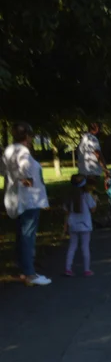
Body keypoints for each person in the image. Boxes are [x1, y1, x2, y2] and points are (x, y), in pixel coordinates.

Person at [3, 122, 52, 286]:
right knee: (27, 237)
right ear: (28, 136)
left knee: (21, 235)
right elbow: (25, 174)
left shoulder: (8, 150)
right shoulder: (23, 151)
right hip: (29, 200)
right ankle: (30, 273)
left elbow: (4, 170)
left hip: (14, 199)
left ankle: (24, 270)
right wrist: (27, 180)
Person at [64, 175, 95, 277]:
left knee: (72, 246)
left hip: (73, 224)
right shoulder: (86, 195)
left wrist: (65, 225)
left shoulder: (69, 197)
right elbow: (93, 209)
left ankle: (68, 268)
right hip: (85, 224)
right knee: (85, 246)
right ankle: (86, 269)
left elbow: (66, 212)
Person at [77, 123, 107, 222]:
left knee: (84, 194)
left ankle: (84, 216)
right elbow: (97, 153)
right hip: (92, 172)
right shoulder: (92, 139)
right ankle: (90, 217)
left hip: (83, 171)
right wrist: (104, 168)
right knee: (91, 194)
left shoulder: (83, 139)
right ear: (96, 128)